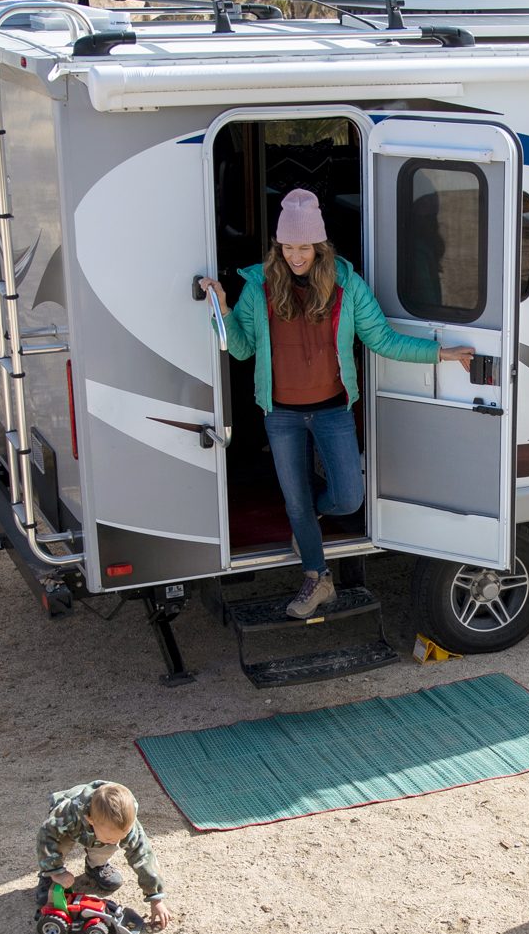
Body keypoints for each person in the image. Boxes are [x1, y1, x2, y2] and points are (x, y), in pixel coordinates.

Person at [198, 189, 475, 619]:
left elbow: (382, 340)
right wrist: (223, 306)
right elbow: (241, 349)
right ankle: (317, 577)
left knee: (347, 497)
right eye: (287, 247)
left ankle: (308, 521)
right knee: (294, 503)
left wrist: (441, 353)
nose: (295, 257)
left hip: (332, 410)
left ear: (319, 246)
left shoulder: (348, 286)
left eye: (303, 248)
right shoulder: (260, 287)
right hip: (281, 414)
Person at [34, 780, 168, 929]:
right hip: (68, 829)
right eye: (112, 837)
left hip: (95, 834)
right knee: (59, 844)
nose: (117, 840)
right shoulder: (66, 813)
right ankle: (48, 876)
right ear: (91, 820)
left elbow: (142, 854)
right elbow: (45, 838)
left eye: (121, 836)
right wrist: (55, 871)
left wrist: (155, 898)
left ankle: (95, 866)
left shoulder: (126, 822)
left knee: (107, 845)